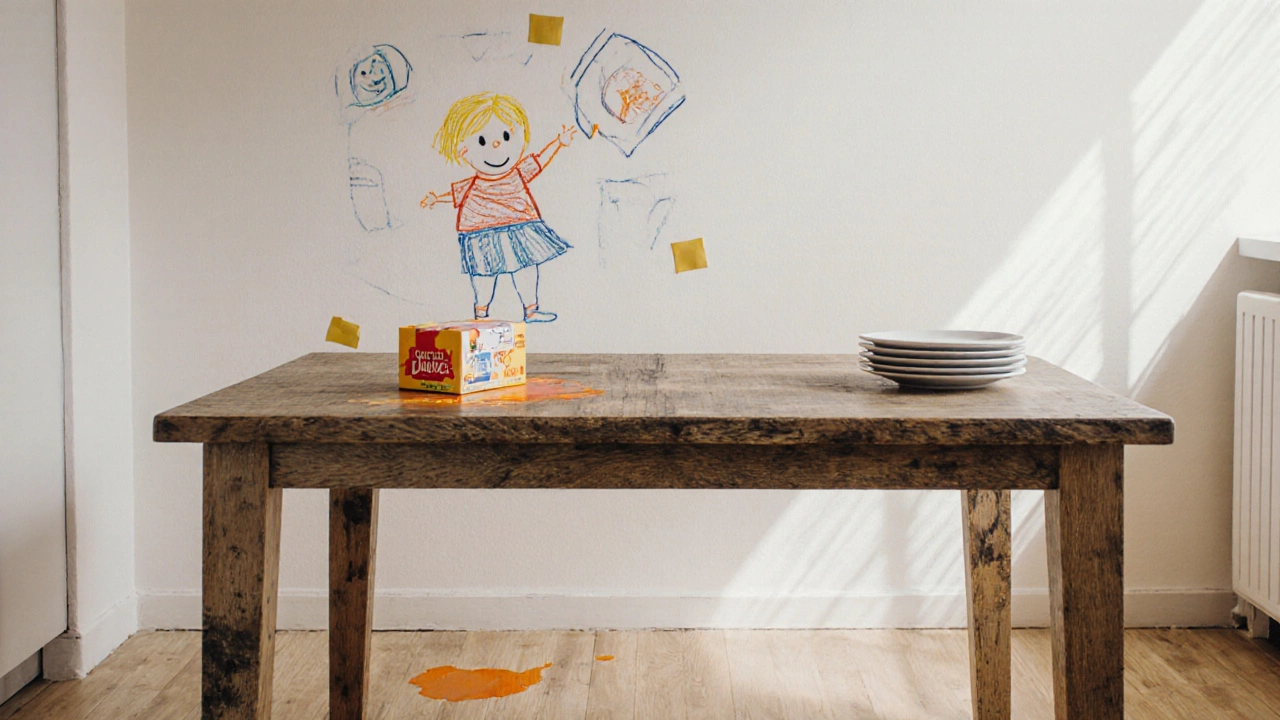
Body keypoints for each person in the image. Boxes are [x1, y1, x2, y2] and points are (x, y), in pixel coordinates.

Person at [421, 92, 576, 322]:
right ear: (463, 150)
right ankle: (481, 314)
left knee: (526, 266)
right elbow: (454, 195)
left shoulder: (518, 173)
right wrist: (436, 199)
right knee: (484, 274)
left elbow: (540, 161)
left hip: (520, 226)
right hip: (480, 232)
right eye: (481, 141)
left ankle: (530, 310)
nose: (496, 146)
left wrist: (558, 143)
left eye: (505, 136)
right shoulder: (472, 184)